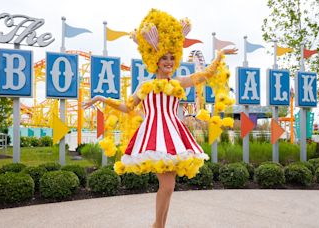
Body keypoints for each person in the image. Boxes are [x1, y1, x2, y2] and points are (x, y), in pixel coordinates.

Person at [83, 9, 236, 228]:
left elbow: (204, 75)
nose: (168, 61)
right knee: (167, 186)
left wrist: (219, 55)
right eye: (164, 57)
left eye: (172, 57)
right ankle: (158, 225)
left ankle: (159, 225)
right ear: (154, 59)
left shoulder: (178, 83)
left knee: (169, 186)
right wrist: (103, 98)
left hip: (173, 135)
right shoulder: (145, 86)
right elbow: (127, 107)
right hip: (154, 136)